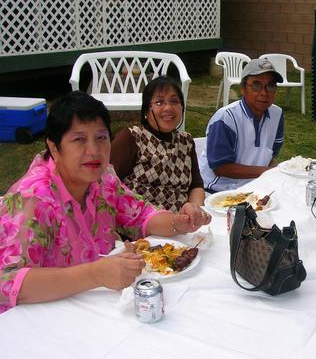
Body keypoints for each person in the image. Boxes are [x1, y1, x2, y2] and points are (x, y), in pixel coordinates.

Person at [0, 91, 211, 313]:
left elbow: (140, 215)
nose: (93, 151)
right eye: (79, 139)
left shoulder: (103, 179)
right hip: (41, 319)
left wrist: (179, 221)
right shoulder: (32, 199)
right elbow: (6, 282)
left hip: (95, 306)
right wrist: (95, 274)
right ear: (54, 147)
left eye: (101, 138)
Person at [110, 76, 205, 212]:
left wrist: (195, 210)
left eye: (174, 101)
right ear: (146, 111)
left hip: (182, 223)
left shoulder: (186, 141)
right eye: (159, 102)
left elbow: (196, 186)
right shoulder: (133, 137)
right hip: (141, 225)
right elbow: (107, 182)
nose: (168, 108)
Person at [199, 58, 284, 192]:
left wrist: (274, 174)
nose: (264, 92)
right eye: (256, 85)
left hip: (254, 187)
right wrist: (268, 172)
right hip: (218, 191)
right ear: (243, 89)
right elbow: (220, 168)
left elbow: (271, 154)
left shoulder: (277, 114)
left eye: (271, 86)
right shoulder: (226, 118)